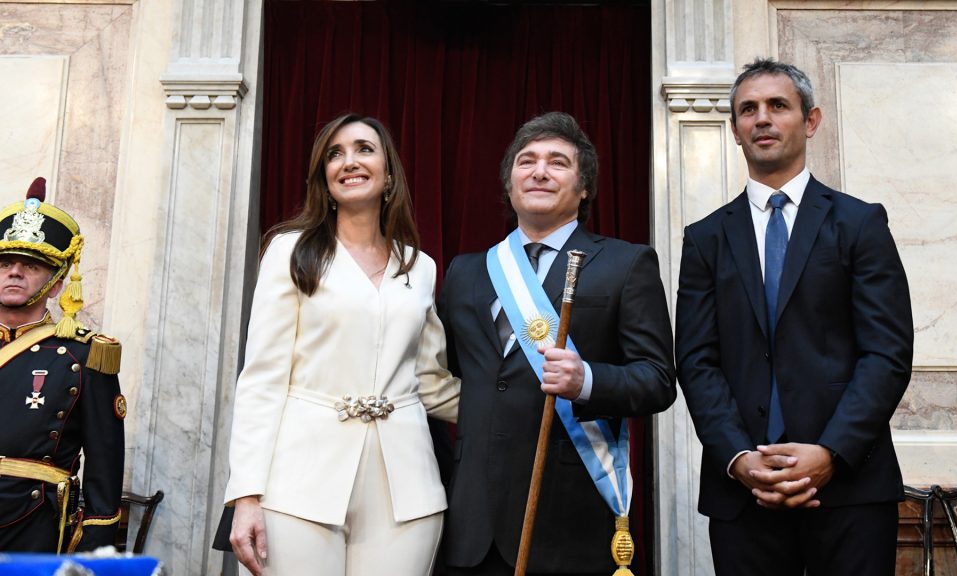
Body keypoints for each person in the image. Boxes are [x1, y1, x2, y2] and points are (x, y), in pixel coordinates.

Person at [675, 58, 914, 575]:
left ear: (810, 121)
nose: (762, 118)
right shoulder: (705, 238)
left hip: (850, 488)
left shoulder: (860, 223)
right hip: (744, 493)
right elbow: (695, 361)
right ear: (735, 130)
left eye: (777, 105)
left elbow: (887, 354)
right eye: (748, 110)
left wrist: (830, 453)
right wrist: (739, 459)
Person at [439, 111, 676, 576]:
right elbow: (447, 376)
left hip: (570, 515)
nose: (540, 171)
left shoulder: (627, 264)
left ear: (584, 187)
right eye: (526, 161)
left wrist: (586, 380)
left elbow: (657, 381)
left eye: (558, 162)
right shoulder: (464, 272)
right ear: (509, 183)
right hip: (475, 519)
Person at [222, 113, 460, 576]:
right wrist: (246, 495)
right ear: (325, 179)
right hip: (299, 483)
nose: (349, 161)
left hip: (406, 488)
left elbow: (430, 382)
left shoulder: (421, 267)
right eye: (335, 154)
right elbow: (263, 380)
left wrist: (512, 406)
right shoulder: (290, 252)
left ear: (388, 175)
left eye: (364, 149)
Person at [0, 177, 125, 553]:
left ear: (56, 284)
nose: (14, 272)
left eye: (31, 265)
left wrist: (92, 550)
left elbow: (104, 469)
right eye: (4, 263)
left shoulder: (84, 355)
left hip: (33, 526)